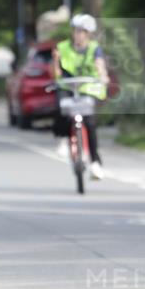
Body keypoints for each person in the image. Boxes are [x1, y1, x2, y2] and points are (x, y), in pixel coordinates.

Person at [53, 14, 109, 180]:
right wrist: (55, 66)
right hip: (67, 85)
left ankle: (95, 162)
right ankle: (63, 139)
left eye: (82, 31)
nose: (78, 34)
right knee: (61, 106)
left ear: (88, 34)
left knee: (90, 122)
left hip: (87, 87)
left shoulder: (94, 48)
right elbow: (56, 71)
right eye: (76, 31)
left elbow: (100, 66)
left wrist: (103, 77)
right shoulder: (62, 47)